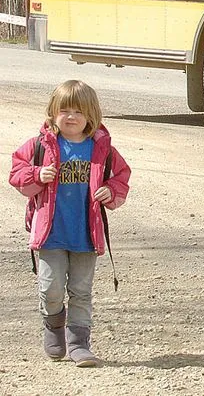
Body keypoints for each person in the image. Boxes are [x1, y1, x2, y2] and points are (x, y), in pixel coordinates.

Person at [9, 80, 132, 366]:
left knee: (81, 291)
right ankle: (53, 325)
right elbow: (17, 172)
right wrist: (37, 175)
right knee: (50, 289)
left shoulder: (101, 149)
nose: (71, 116)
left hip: (85, 236)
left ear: (91, 115)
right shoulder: (40, 146)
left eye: (79, 111)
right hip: (50, 234)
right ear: (52, 113)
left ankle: (79, 344)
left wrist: (111, 191)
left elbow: (122, 177)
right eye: (64, 110)